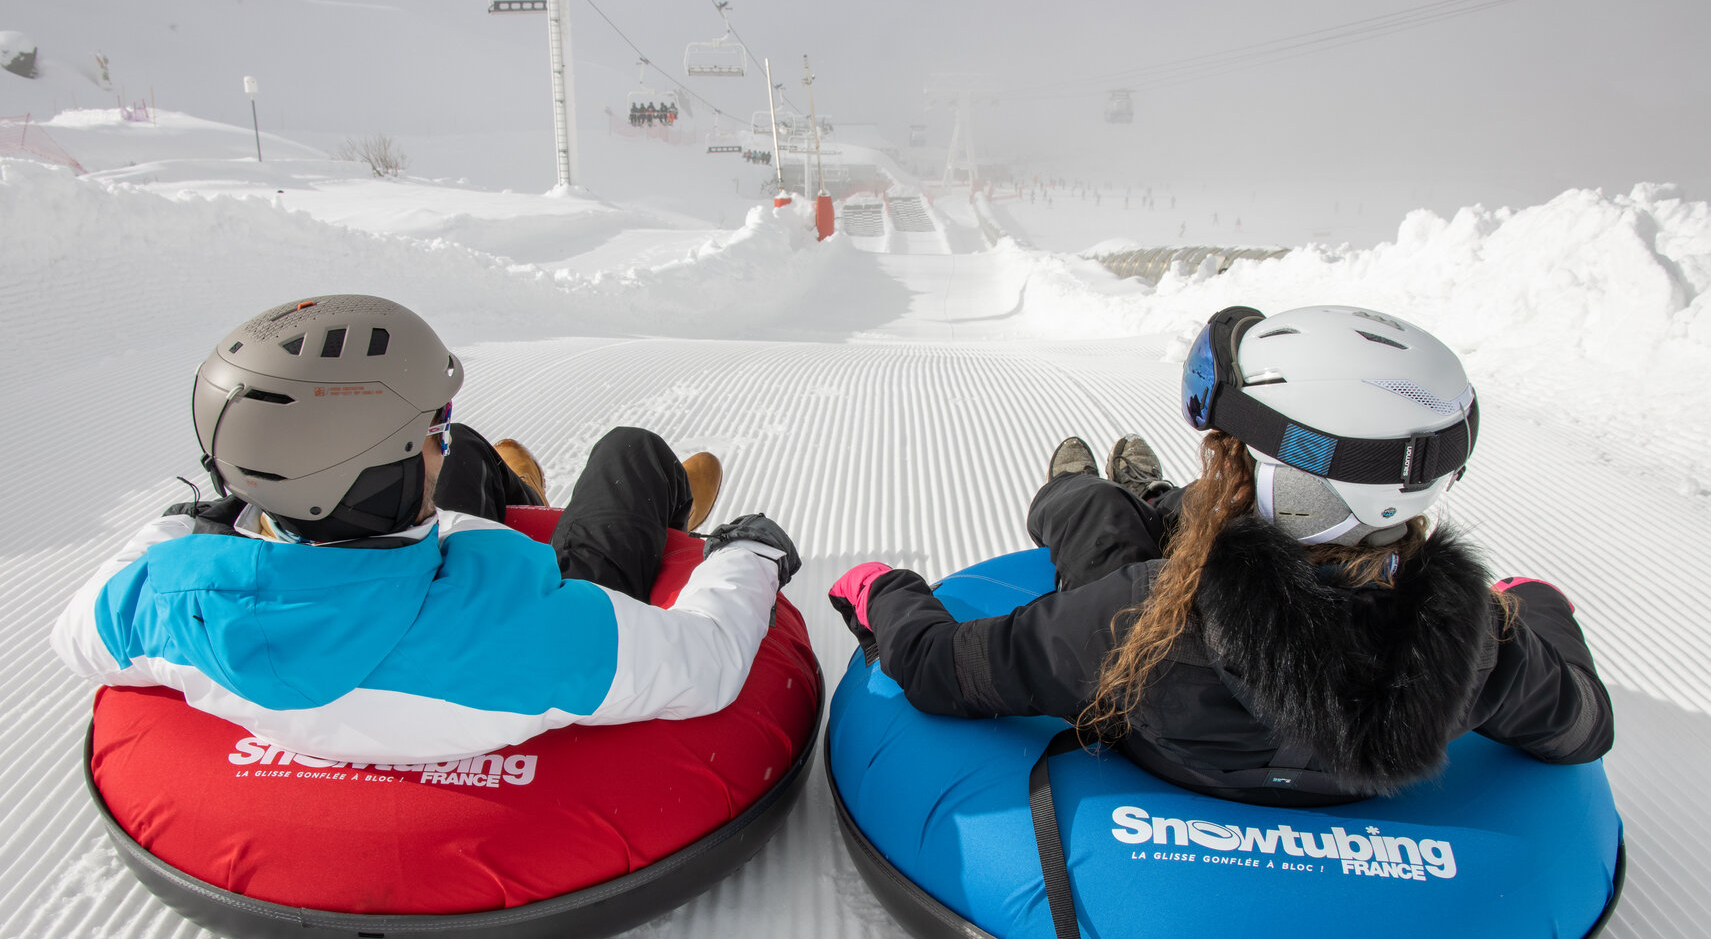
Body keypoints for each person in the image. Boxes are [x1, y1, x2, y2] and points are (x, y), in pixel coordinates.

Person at [830, 305, 1612, 806]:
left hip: (1170, 741)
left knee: (1097, 519)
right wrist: (1533, 604)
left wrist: (885, 592)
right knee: (1175, 524)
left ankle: (1084, 490)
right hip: (1316, 748)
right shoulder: (1480, 644)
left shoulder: (1139, 616)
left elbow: (941, 669)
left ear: (1288, 485)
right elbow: (1582, 725)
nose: (1223, 461)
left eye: (1230, 457)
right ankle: (1157, 496)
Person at [52, 295, 800, 765]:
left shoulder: (176, 597)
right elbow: (707, 664)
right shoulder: (528, 635)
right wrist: (748, 554)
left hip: (385, 575)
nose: (435, 437)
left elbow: (75, 631)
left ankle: (512, 484)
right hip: (510, 599)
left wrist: (181, 524)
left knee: (474, 450)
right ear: (388, 473)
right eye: (425, 432)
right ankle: (664, 497)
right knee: (629, 452)